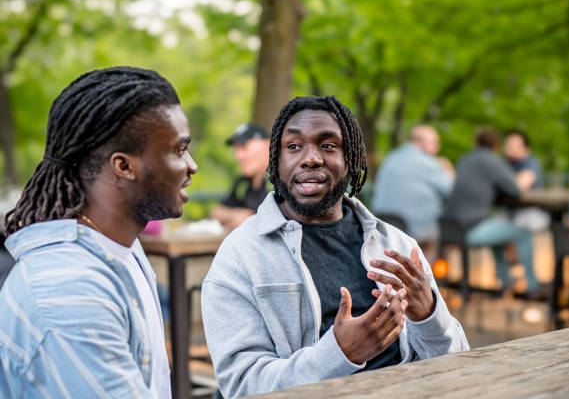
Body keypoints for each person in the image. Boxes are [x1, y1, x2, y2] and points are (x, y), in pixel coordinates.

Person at [201, 96, 468, 398]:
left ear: (350, 159)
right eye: (294, 146)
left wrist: (429, 316)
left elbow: (457, 367)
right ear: (275, 160)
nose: (310, 159)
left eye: (328, 145)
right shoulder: (240, 256)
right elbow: (242, 387)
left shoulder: (397, 245)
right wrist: (339, 354)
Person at [0, 67, 198, 397]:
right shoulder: (69, 292)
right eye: (179, 150)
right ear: (124, 166)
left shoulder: (120, 248)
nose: (192, 165)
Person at [444, 128, 542, 294]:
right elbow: (515, 190)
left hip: (450, 227)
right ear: (496, 147)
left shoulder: (464, 160)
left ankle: (504, 283)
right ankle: (532, 286)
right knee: (523, 234)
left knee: (499, 234)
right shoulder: (492, 161)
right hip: (470, 230)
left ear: (476, 143)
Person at [372, 125, 454, 261]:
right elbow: (451, 191)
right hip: (412, 228)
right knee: (437, 235)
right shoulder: (428, 162)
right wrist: (448, 171)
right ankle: (426, 273)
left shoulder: (391, 158)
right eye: (434, 143)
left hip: (383, 224)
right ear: (420, 142)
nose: (437, 148)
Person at [210, 122, 271, 230]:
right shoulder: (243, 183)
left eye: (244, 147)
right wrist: (235, 215)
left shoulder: (282, 182)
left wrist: (251, 219)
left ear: (267, 145)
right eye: (236, 149)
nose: (238, 156)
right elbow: (216, 211)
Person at [502, 130, 550, 232]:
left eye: (513, 144)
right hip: (509, 212)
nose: (508, 147)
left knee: (517, 227)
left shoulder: (530, 163)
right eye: (507, 143)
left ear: (526, 149)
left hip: (531, 212)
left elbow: (520, 185)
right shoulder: (504, 164)